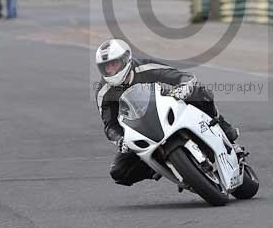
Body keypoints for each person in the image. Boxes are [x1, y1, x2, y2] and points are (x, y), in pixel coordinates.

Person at [94, 39, 240, 186]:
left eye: (114, 64)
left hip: (165, 107)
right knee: (119, 172)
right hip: (139, 128)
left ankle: (225, 131)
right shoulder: (104, 92)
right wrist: (120, 139)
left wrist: (184, 87)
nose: (111, 70)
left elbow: (182, 76)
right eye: (106, 67)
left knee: (199, 91)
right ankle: (158, 166)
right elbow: (109, 125)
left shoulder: (145, 67)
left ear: (126, 59)